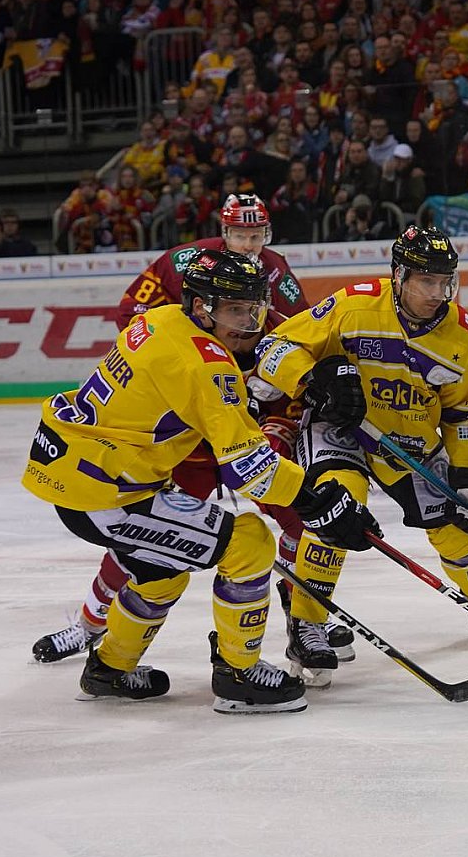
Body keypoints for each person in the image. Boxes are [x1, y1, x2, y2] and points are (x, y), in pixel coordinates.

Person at [20, 250, 380, 711]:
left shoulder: (159, 320)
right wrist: (321, 501)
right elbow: (250, 468)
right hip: (107, 494)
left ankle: (109, 669)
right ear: (200, 307)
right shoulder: (208, 365)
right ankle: (238, 676)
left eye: (254, 309)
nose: (248, 323)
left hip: (79, 472)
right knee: (249, 542)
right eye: (235, 310)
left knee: (159, 571)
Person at [32, 194, 323, 664]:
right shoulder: (185, 263)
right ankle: (89, 625)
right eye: (240, 234)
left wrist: (277, 402)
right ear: (223, 233)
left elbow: (299, 338)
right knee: (148, 537)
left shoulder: (276, 273)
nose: (249, 244)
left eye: (257, 235)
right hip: (185, 435)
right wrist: (188, 372)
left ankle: (304, 622)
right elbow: (134, 313)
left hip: (243, 425)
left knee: (300, 521)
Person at [253, 225, 468, 681]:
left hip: (408, 439)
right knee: (337, 507)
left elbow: (462, 415)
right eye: (427, 281)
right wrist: (313, 379)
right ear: (399, 275)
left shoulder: (463, 336)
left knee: (459, 527)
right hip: (341, 429)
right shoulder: (354, 305)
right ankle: (307, 625)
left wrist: (464, 477)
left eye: (445, 282)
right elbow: (273, 348)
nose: (438, 293)